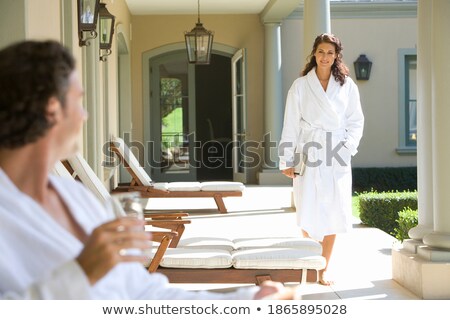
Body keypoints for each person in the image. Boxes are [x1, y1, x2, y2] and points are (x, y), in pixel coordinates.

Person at [0, 40, 291, 299]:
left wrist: (246, 301)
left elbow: (142, 292)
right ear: (53, 108)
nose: (85, 116)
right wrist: (81, 273)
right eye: (79, 100)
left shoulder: (75, 196)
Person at [278, 33, 364, 285]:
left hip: (336, 153)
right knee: (307, 209)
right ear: (314, 54)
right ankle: (312, 261)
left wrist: (347, 148)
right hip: (309, 152)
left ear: (336, 55)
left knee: (334, 210)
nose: (325, 57)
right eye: (320, 52)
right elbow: (290, 124)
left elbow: (356, 121)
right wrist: (286, 160)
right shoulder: (301, 86)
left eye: (330, 52)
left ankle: (324, 268)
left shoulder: (347, 85)